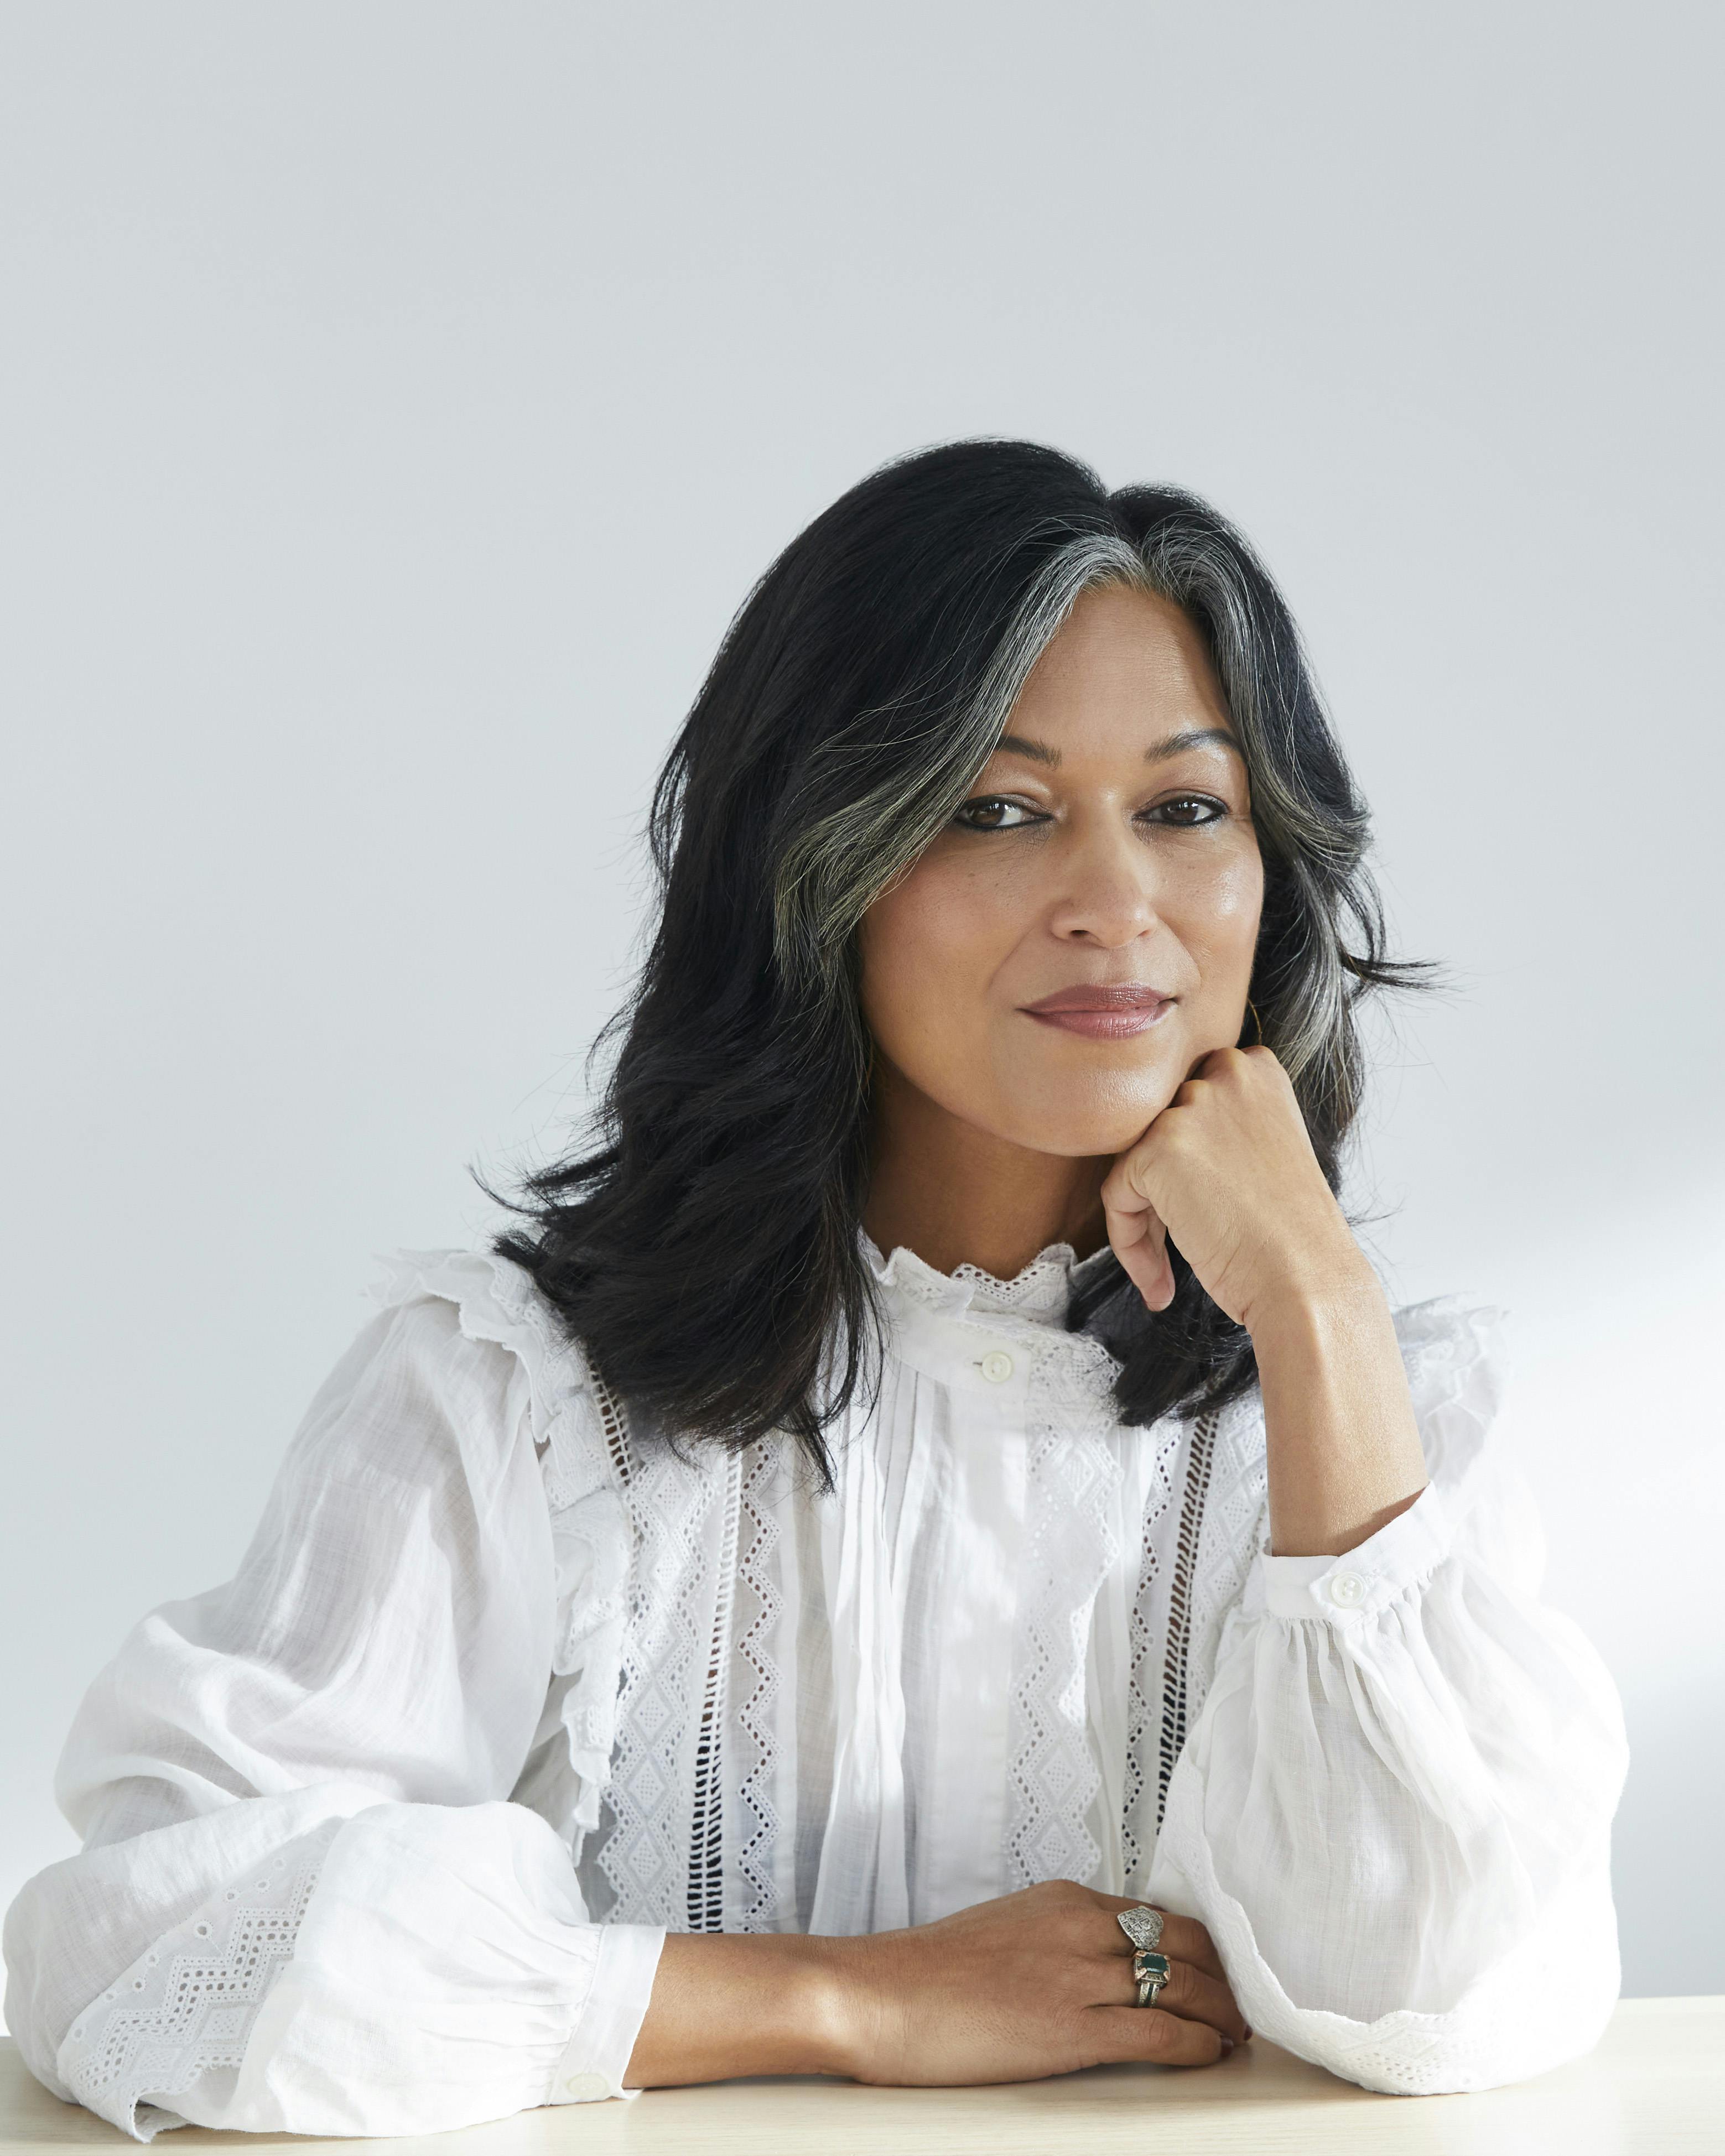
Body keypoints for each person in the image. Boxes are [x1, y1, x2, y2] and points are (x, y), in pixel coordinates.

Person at [4, 442, 1627, 2140]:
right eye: (997, 809)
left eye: (1185, 807)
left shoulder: (1382, 1430)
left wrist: (1316, 1298)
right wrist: (854, 1998)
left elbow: (1454, 1998)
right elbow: (136, 1949)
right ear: (820, 860)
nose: (1114, 903)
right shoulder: (514, 1396)